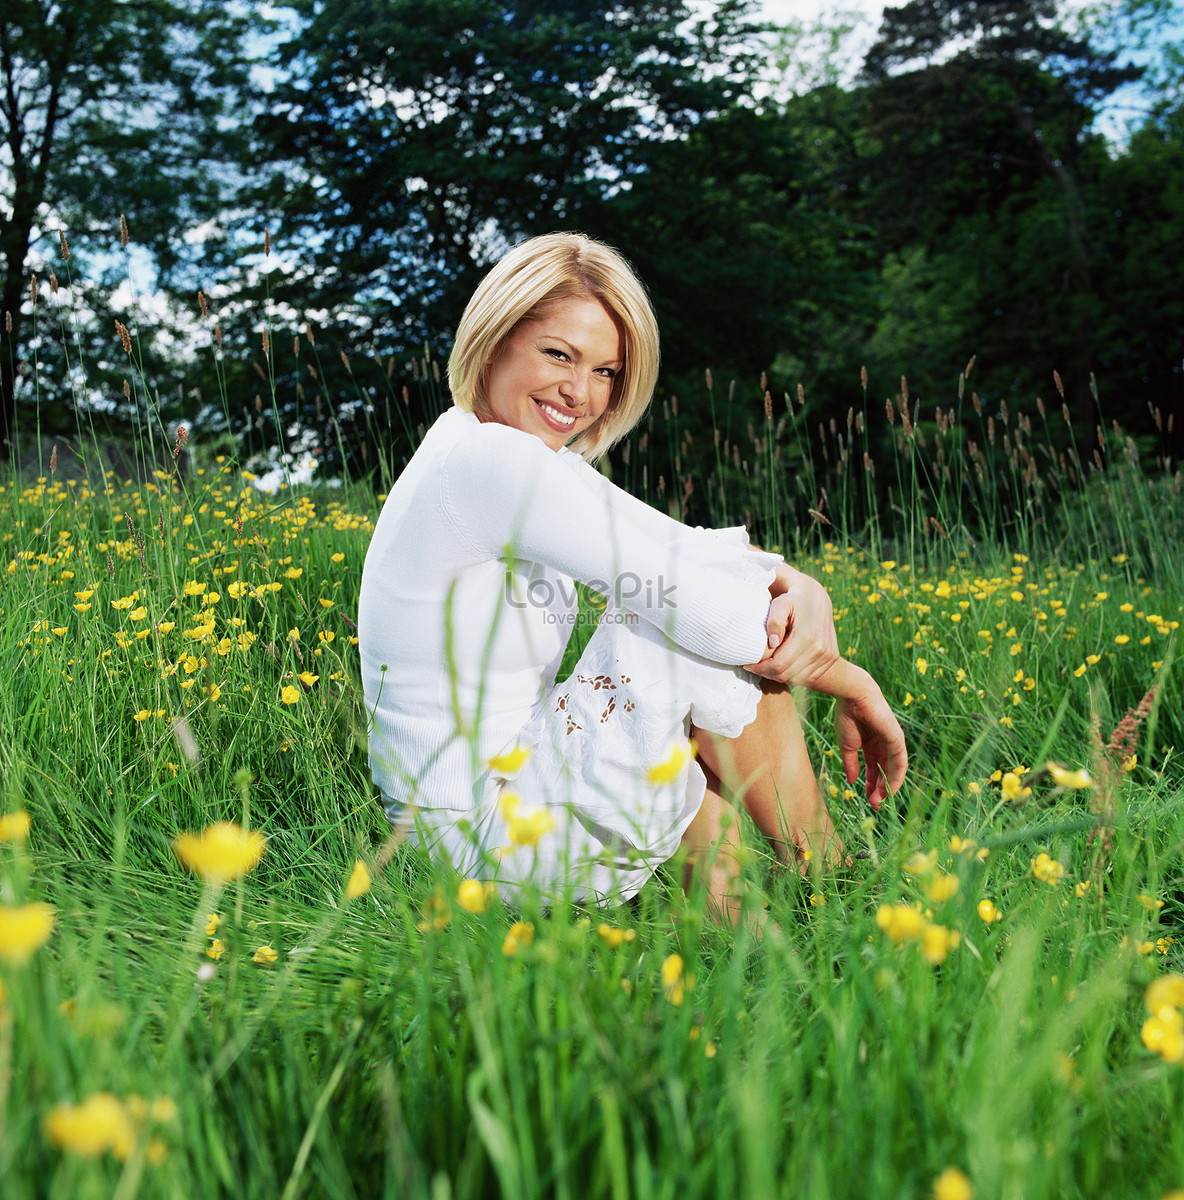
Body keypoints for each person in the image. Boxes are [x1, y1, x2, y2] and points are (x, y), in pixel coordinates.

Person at [358, 232, 907, 927]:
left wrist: (803, 585)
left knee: (686, 664)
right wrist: (846, 678)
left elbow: (683, 551)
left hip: (471, 819)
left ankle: (735, 947)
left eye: (605, 372)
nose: (579, 393)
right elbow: (717, 617)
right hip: (483, 840)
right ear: (494, 340)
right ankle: (842, 892)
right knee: (698, 644)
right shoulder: (492, 465)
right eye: (558, 354)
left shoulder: (485, 452)